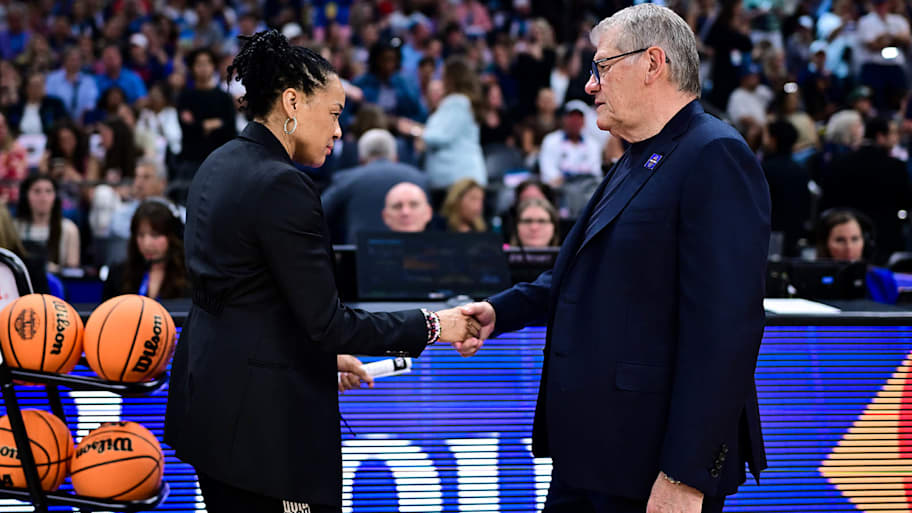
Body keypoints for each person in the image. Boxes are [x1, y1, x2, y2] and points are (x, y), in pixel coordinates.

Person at [461, 5, 770, 512]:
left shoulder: (715, 154)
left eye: (601, 67)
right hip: (590, 454)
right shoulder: (638, 155)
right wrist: (502, 310)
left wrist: (685, 476)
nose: (589, 85)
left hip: (651, 469)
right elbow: (590, 272)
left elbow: (726, 330)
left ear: (653, 64)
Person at [164, 30, 479, 513]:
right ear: (292, 102)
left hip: (209, 408)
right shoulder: (282, 185)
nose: (338, 131)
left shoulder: (218, 161)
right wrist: (436, 324)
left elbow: (249, 298)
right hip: (265, 434)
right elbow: (327, 323)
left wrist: (317, 360)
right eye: (333, 114)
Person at [321, 128, 428, 244]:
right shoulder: (419, 178)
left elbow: (319, 213)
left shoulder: (346, 180)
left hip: (360, 255)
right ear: (396, 157)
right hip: (413, 253)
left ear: (360, 160)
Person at [422, 56, 487, 193]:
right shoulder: (464, 101)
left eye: (443, 75)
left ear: (451, 78)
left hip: (457, 180)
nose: (441, 79)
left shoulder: (456, 102)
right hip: (463, 177)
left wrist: (415, 131)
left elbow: (438, 136)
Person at [103, 199, 188, 300]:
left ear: (171, 237)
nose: (147, 244)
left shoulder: (189, 276)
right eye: (141, 235)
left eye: (155, 235)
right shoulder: (118, 274)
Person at [14, 175, 80, 271]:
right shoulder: (15, 227)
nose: (43, 197)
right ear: (26, 195)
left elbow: (72, 269)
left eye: (48, 191)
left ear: (55, 197)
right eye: (37, 191)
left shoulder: (69, 229)